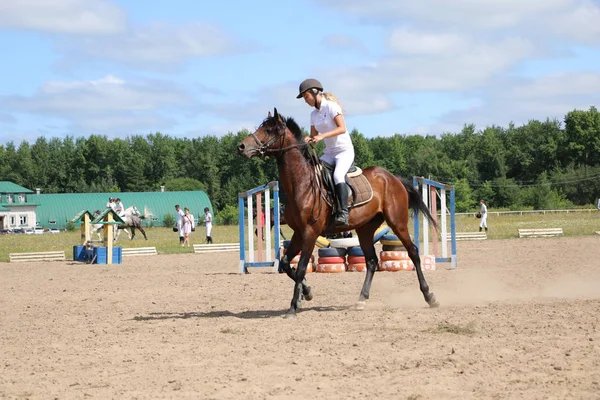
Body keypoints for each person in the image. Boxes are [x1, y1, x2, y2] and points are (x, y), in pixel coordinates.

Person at [298, 78, 355, 227]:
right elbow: (312, 135)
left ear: (315, 92)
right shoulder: (313, 115)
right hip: (329, 153)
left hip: (344, 151)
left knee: (337, 175)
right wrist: (308, 139)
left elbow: (342, 128)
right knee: (314, 172)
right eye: (304, 98)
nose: (305, 100)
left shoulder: (332, 107)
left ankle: (343, 213)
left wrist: (321, 136)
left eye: (306, 97)